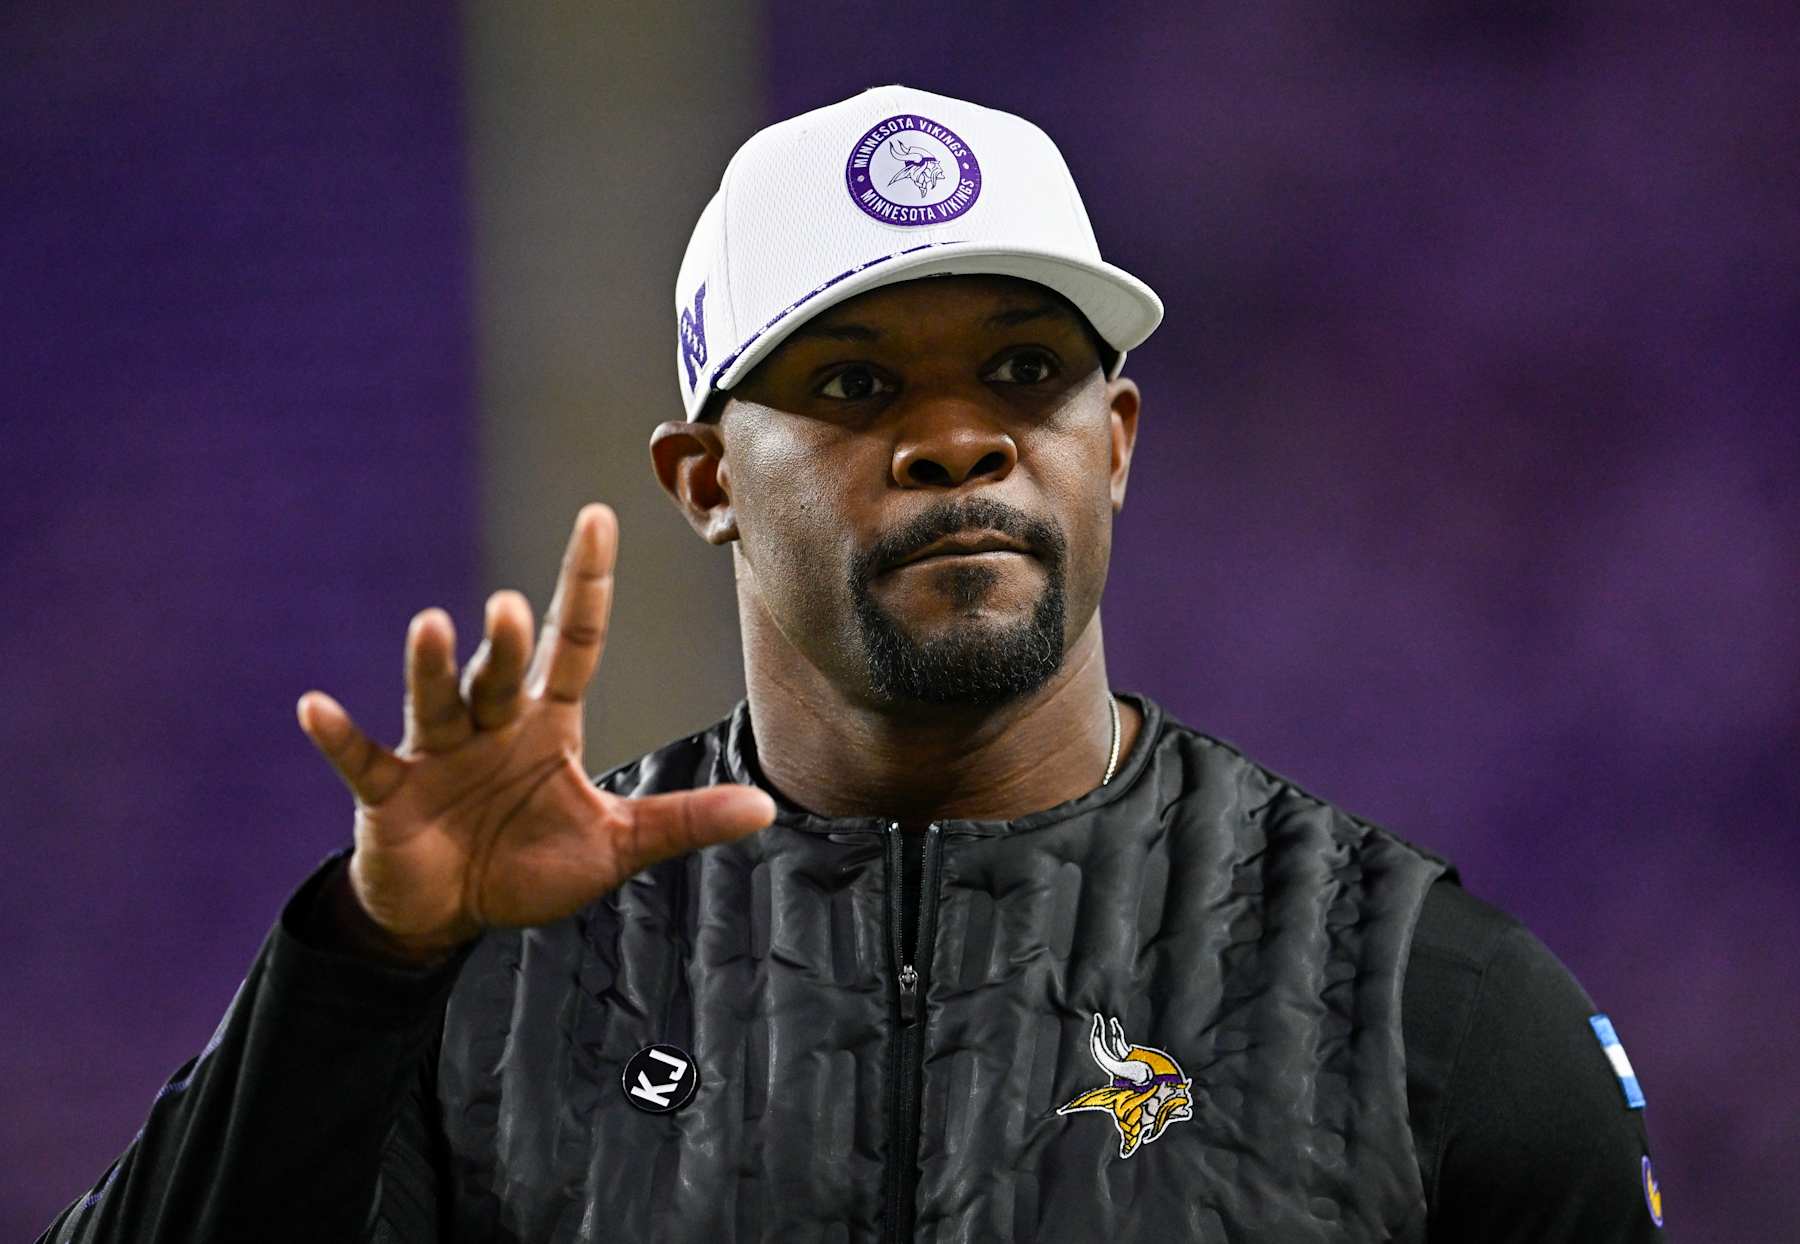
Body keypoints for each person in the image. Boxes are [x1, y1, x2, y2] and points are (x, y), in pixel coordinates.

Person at [41, 84, 1667, 1243]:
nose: (958, 441)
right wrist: (370, 965)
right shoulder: (492, 984)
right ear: (704, 481)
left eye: (1025, 372)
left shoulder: (1419, 1004)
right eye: (856, 383)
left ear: (1114, 443)